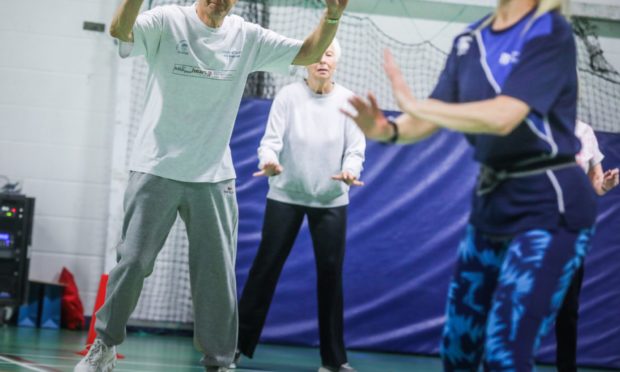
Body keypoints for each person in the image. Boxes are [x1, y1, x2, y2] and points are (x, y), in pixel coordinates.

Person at [74, 0, 349, 371]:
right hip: (156, 167)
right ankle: (104, 346)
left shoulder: (247, 36)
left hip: (214, 176)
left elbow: (309, 52)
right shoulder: (168, 20)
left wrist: (332, 15)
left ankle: (219, 361)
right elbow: (120, 32)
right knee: (134, 262)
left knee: (216, 275)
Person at [343, 0, 597, 369]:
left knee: (504, 355)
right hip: (492, 205)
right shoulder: (469, 39)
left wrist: (417, 106)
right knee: (460, 351)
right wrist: (391, 129)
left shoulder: (549, 31)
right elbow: (431, 113)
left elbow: (503, 116)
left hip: (549, 205)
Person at [235, 40, 365, 372]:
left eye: (330, 55)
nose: (323, 61)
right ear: (306, 61)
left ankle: (334, 361)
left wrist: (351, 170)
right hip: (285, 195)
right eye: (318, 55)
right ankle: (233, 348)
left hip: (331, 199)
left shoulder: (350, 101)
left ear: (337, 61)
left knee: (331, 276)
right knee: (264, 270)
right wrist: (269, 161)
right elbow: (270, 142)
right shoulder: (288, 97)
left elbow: (355, 149)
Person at [555, 120, 619, 372]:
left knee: (568, 310)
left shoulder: (584, 132)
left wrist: (607, 184)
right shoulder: (534, 125)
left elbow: (597, 184)